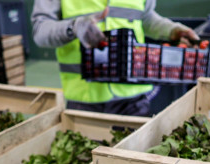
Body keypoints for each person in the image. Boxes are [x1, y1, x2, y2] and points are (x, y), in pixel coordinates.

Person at [32, 0, 199, 116]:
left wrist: (171, 30)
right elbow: (40, 30)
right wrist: (73, 27)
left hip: (133, 98)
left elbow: (145, 17)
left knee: (136, 162)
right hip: (85, 100)